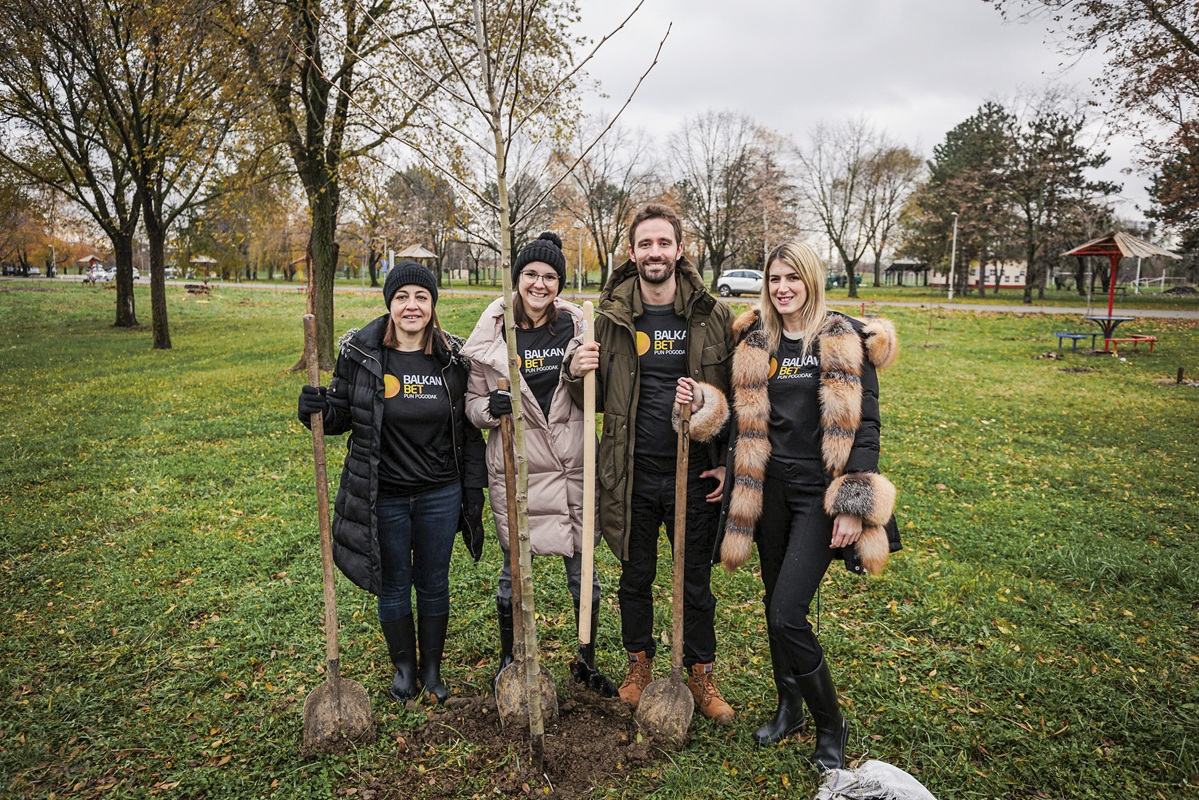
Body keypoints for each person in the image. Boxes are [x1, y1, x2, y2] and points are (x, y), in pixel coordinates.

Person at [706, 241, 897, 769]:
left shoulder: (842, 339)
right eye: (773, 279)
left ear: (811, 280)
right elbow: (745, 420)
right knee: (774, 606)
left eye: (792, 277)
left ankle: (830, 725)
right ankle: (788, 704)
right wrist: (728, 463)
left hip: (820, 495)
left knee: (789, 611)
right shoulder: (755, 340)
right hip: (767, 493)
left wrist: (852, 504)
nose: (782, 288)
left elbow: (867, 428)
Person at [565, 203, 736, 724]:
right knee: (634, 578)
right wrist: (575, 370)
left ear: (680, 250)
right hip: (631, 473)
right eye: (645, 244)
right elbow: (586, 398)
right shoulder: (610, 317)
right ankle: (638, 665)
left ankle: (701, 674)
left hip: (693, 472)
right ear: (632, 251)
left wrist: (726, 459)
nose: (654, 253)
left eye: (664, 243)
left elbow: (736, 397)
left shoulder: (710, 315)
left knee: (694, 583)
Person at [297, 261, 487, 704]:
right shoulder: (360, 355)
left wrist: (472, 491)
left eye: (421, 297)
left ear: (433, 305)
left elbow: (469, 431)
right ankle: (404, 670)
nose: (412, 306)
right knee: (395, 581)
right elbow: (340, 417)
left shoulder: (452, 359)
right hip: (385, 494)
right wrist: (314, 410)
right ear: (390, 304)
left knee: (434, 582)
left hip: (441, 491)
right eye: (402, 297)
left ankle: (432, 670)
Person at [463, 232, 618, 696]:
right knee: (514, 568)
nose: (540, 283)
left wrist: (582, 370)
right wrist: (491, 407)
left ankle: (585, 658)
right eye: (531, 274)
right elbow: (472, 406)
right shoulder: (493, 330)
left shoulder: (576, 326)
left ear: (559, 284)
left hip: (572, 465)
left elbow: (597, 396)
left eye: (550, 276)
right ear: (517, 278)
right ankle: (511, 659)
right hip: (518, 466)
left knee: (582, 569)